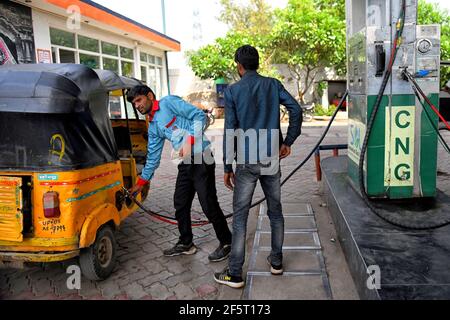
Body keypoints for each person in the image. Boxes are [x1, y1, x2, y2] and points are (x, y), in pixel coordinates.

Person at [214, 45, 302, 288]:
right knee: (276, 212)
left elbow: (230, 129)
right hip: (271, 159)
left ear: (239, 66)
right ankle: (276, 262)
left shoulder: (232, 91)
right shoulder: (273, 85)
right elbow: (296, 109)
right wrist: (288, 141)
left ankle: (234, 273)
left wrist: (226, 166)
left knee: (240, 218)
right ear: (257, 64)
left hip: (246, 163)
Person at [127, 85, 232, 261]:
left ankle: (227, 242)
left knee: (208, 203)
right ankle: (186, 243)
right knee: (180, 202)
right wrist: (140, 183)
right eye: (133, 103)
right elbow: (153, 157)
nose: (137, 105)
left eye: (139, 100)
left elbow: (200, 116)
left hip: (201, 157)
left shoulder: (169, 103)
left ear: (150, 96)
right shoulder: (153, 126)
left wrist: (189, 141)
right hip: (185, 163)